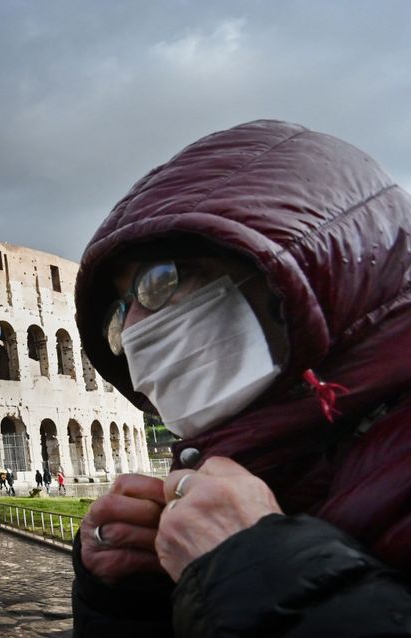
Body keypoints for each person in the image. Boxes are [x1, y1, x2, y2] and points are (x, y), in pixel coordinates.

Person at [71, 120, 411, 637]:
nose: (135, 329)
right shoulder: (261, 465)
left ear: (298, 270)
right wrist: (132, 598)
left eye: (160, 280)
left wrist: (255, 568)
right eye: (118, 314)